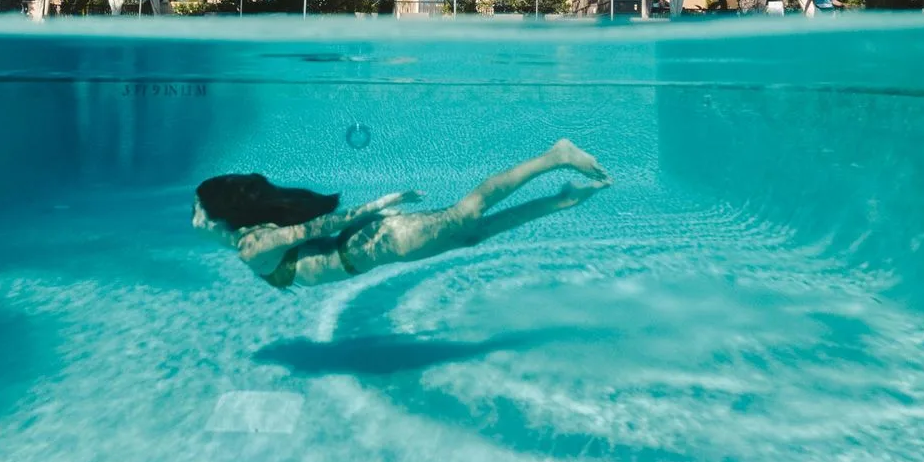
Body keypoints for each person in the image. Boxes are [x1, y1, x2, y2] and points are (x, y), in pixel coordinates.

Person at [192, 139, 610, 289]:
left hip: (371, 246)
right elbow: (315, 229)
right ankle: (561, 198)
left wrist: (382, 204)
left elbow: (318, 225)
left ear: (216, 214)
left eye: (197, 210)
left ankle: (556, 157)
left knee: (467, 215)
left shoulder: (251, 247)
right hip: (374, 247)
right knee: (470, 234)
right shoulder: (250, 237)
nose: (193, 217)